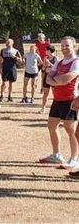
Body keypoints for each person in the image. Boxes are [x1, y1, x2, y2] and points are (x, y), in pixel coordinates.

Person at [39, 36, 79, 170]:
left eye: (67, 45)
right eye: (62, 45)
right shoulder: (60, 62)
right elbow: (48, 77)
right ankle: (56, 155)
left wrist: (54, 79)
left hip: (70, 100)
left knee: (71, 130)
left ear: (74, 46)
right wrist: (55, 79)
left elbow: (66, 80)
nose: (64, 48)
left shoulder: (76, 62)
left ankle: (74, 159)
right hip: (57, 99)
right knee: (51, 125)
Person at [40, 46, 58, 114]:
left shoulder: (56, 58)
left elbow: (56, 68)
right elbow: (43, 69)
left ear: (50, 51)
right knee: (45, 94)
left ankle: (56, 108)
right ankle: (43, 108)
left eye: (46, 50)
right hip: (47, 76)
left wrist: (49, 63)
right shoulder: (45, 58)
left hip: (53, 77)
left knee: (55, 94)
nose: (45, 52)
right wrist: (44, 65)